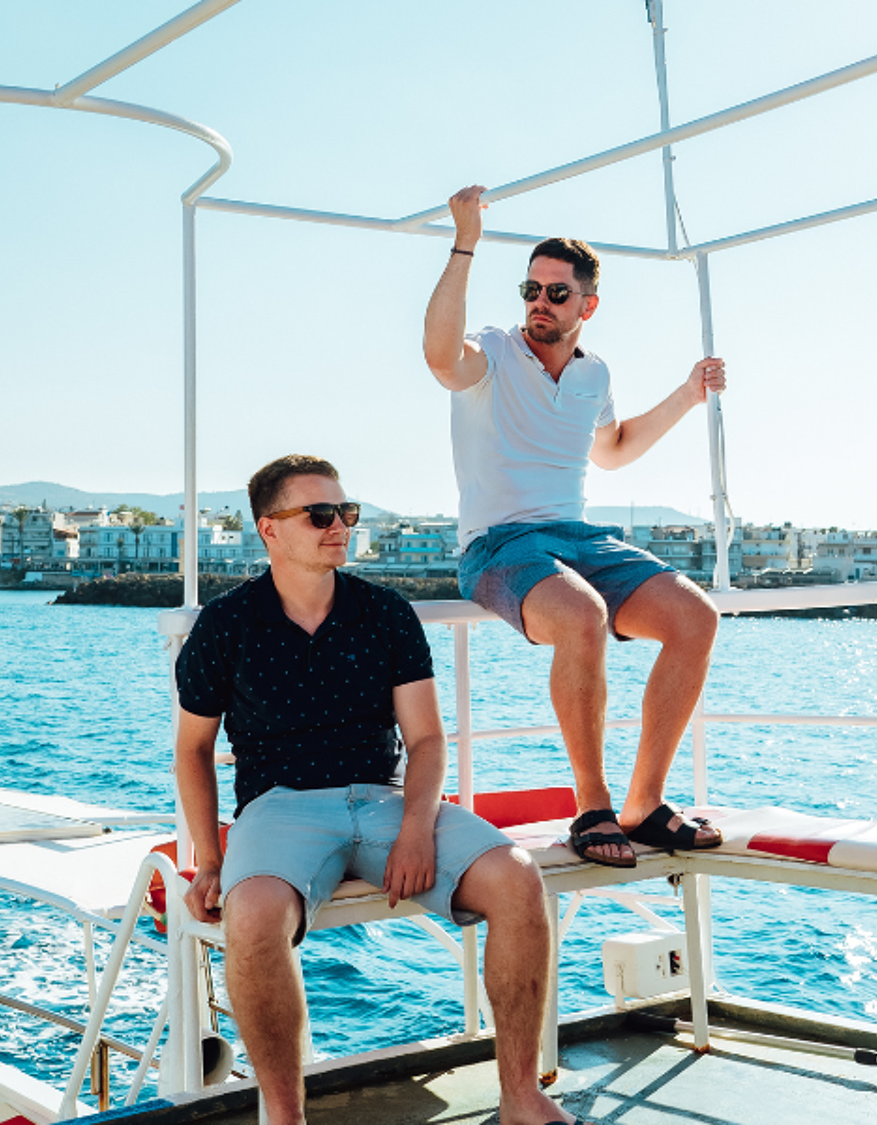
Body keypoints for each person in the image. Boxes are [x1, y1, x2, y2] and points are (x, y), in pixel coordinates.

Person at [176, 454, 579, 1125]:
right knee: (250, 919)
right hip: (280, 809)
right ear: (268, 530)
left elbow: (425, 740)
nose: (340, 526)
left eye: (347, 512)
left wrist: (419, 824)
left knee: (517, 877)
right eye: (320, 514)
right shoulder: (225, 625)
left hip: (387, 800)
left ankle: (520, 1097)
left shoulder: (385, 613)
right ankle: (285, 1115)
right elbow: (193, 750)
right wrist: (211, 860)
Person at [423, 185, 727, 867]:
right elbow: (441, 356)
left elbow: (613, 448)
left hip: (577, 538)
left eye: (557, 293)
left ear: (587, 306)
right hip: (498, 543)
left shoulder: (594, 375)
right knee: (583, 615)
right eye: (531, 288)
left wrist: (688, 392)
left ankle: (643, 803)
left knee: (695, 618)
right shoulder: (493, 353)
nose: (539, 301)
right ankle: (591, 806)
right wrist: (465, 241)